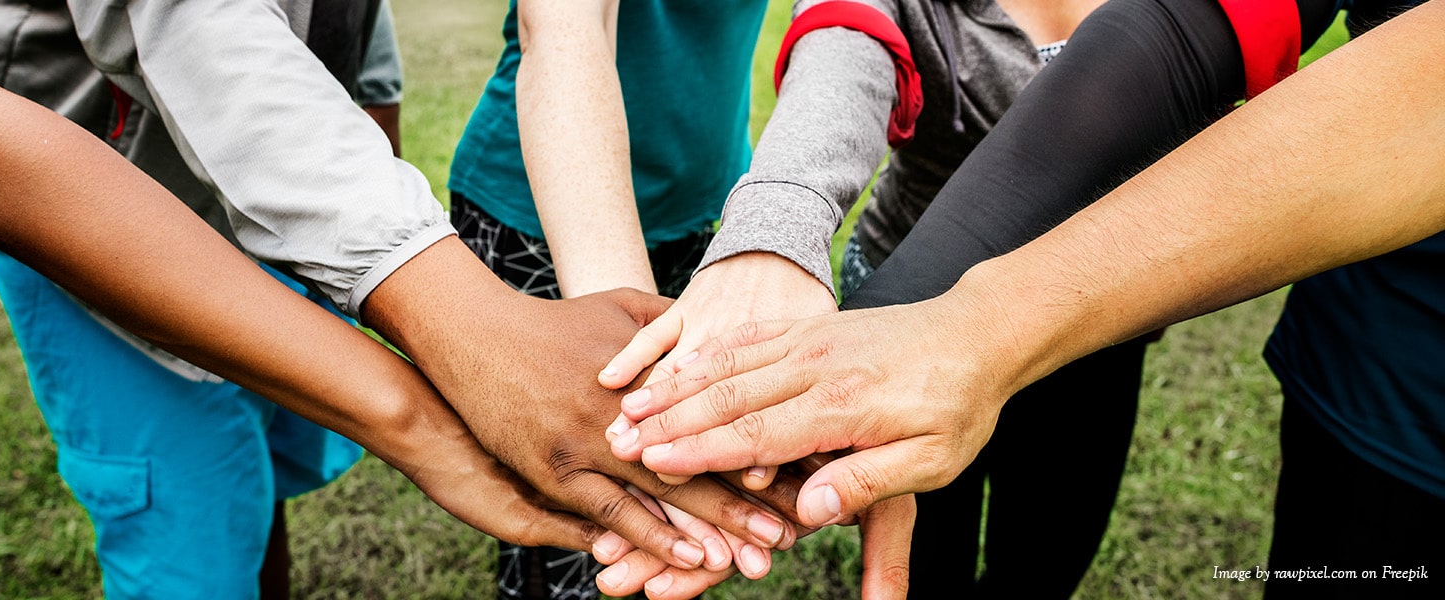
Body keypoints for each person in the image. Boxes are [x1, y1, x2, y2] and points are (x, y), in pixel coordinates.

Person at [0, 0, 803, 596]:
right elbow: (197, 27)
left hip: (302, 187)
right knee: (188, 529)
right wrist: (448, 316)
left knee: (263, 465)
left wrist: (371, 101)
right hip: (92, 194)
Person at [607, 0, 1444, 595]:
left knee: (1047, 551)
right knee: (925, 552)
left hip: (1093, 338)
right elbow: (845, 46)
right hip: (910, 339)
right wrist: (778, 235)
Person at [0, 3, 603, 597]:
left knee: (255, 468)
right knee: (187, 529)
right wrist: (445, 330)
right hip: (84, 206)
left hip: (285, 188)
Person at [443, 1, 783, 597]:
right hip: (540, 216)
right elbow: (560, 26)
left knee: (675, 509)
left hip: (703, 210)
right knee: (579, 512)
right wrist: (636, 374)